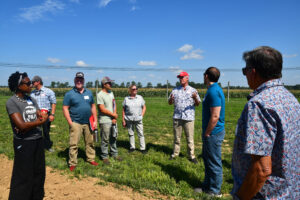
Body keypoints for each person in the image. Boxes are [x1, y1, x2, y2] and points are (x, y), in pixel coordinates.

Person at [231, 46, 300, 200]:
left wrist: (241, 197)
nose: (245, 75)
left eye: (245, 71)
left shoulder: (259, 104)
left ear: (253, 72)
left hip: (265, 194)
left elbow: (262, 169)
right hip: (290, 192)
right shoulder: (290, 98)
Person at [6, 71, 48, 200]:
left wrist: (37, 120)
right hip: (24, 143)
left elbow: (40, 115)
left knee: (39, 173)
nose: (31, 85)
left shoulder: (31, 99)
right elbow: (22, 126)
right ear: (19, 85)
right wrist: (38, 122)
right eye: (28, 83)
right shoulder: (12, 102)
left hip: (37, 140)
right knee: (23, 175)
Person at [194, 67, 225, 197]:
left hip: (213, 133)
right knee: (207, 160)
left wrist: (207, 133)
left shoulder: (213, 91)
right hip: (211, 132)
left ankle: (214, 191)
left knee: (214, 161)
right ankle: (207, 186)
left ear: (206, 76)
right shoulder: (212, 89)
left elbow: (215, 116)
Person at [62, 72, 98, 171]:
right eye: (77, 80)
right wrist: (70, 122)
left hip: (88, 122)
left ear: (83, 81)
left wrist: (95, 120)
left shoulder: (89, 92)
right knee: (73, 144)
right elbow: (65, 108)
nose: (79, 81)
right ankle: (72, 163)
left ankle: (90, 159)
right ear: (74, 81)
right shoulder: (69, 94)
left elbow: (93, 106)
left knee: (90, 142)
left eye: (81, 80)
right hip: (76, 122)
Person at [168, 71, 201, 164]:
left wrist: (195, 98)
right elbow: (169, 103)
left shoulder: (193, 90)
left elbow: (198, 104)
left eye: (182, 77)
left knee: (189, 138)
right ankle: (175, 154)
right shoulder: (175, 90)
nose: (181, 79)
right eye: (180, 77)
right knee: (176, 138)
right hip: (177, 117)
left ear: (187, 78)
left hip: (189, 118)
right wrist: (171, 99)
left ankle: (192, 156)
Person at [97, 76, 122, 165]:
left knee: (113, 137)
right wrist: (113, 115)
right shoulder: (100, 95)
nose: (111, 84)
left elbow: (114, 104)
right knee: (105, 139)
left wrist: (114, 117)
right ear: (104, 84)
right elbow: (102, 109)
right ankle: (104, 156)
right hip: (104, 120)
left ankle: (114, 154)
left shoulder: (111, 93)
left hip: (112, 119)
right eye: (109, 83)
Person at [31, 75, 56, 152]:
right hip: (35, 115)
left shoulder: (48, 91)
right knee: (36, 131)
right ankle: (36, 146)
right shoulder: (32, 93)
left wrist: (52, 114)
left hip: (46, 115)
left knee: (46, 131)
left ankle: (48, 146)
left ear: (38, 82)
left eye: (33, 82)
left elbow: (53, 102)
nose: (31, 84)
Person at [122, 84, 147, 154]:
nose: (135, 90)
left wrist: (141, 115)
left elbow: (144, 107)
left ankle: (143, 148)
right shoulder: (126, 99)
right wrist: (123, 120)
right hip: (128, 119)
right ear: (130, 90)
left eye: (136, 89)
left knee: (141, 133)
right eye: (133, 89)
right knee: (131, 134)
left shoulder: (140, 98)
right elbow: (123, 109)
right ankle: (132, 147)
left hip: (138, 119)